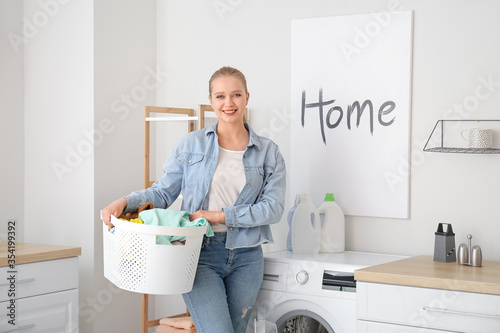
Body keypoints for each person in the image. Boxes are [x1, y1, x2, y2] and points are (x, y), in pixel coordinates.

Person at [101, 66, 287, 332]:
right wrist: (124, 202)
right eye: (220, 96)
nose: (229, 103)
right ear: (211, 101)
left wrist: (219, 216)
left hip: (248, 256)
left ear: (247, 97)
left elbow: (273, 208)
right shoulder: (191, 145)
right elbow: (163, 192)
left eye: (235, 95)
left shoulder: (268, 152)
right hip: (198, 253)